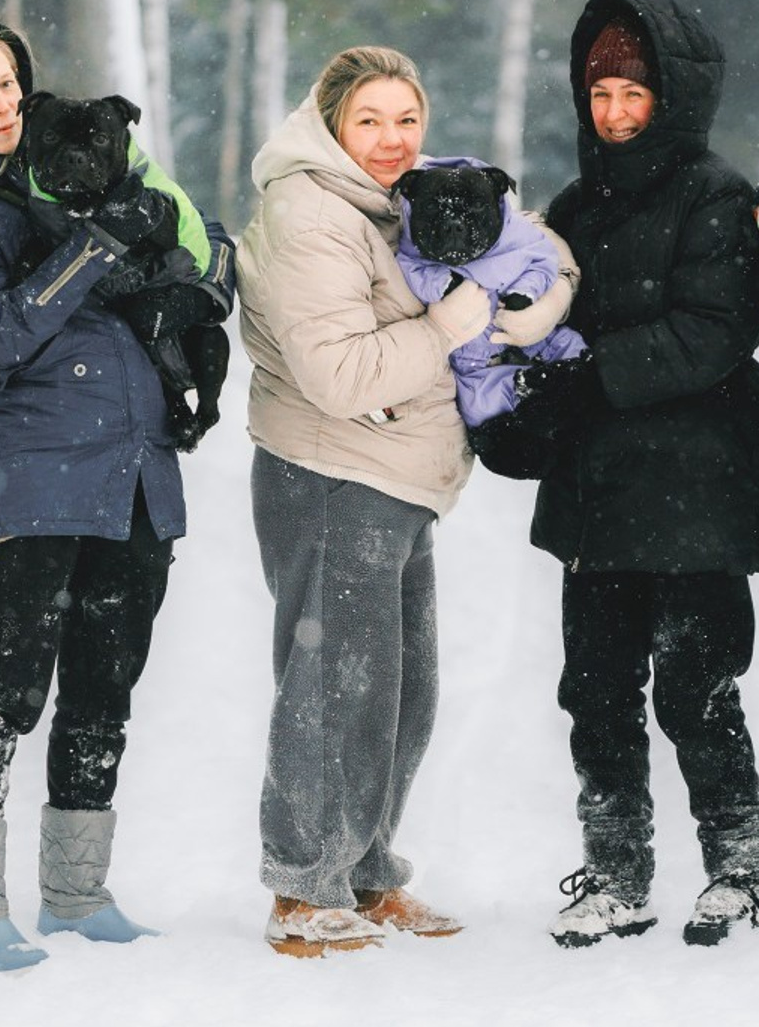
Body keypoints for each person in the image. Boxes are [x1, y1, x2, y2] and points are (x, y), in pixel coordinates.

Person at [0, 23, 235, 970]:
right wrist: (94, 248)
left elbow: (198, 250)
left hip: (136, 470)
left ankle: (77, 894)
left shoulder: (73, 164)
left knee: (105, 685)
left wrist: (206, 276)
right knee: (3, 689)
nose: (3, 105)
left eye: (9, 83)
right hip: (34, 476)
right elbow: (1, 333)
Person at [492, 0, 759, 949]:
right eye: (601, 93)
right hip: (599, 496)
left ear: (675, 97)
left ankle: (742, 870)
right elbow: (542, 324)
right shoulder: (576, 206)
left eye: (634, 92)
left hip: (699, 487)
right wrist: (520, 410)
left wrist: (591, 378)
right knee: (597, 687)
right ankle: (617, 870)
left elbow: (714, 332)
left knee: (696, 686)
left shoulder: (716, 195)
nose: (615, 113)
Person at [236, 46, 496, 957]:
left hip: (393, 479)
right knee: (332, 684)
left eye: (407, 120)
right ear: (331, 124)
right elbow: (341, 375)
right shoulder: (309, 213)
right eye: (371, 121)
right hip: (331, 474)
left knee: (398, 689)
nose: (392, 140)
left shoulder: (386, 203)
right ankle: (303, 887)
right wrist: (451, 325)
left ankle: (365, 869)